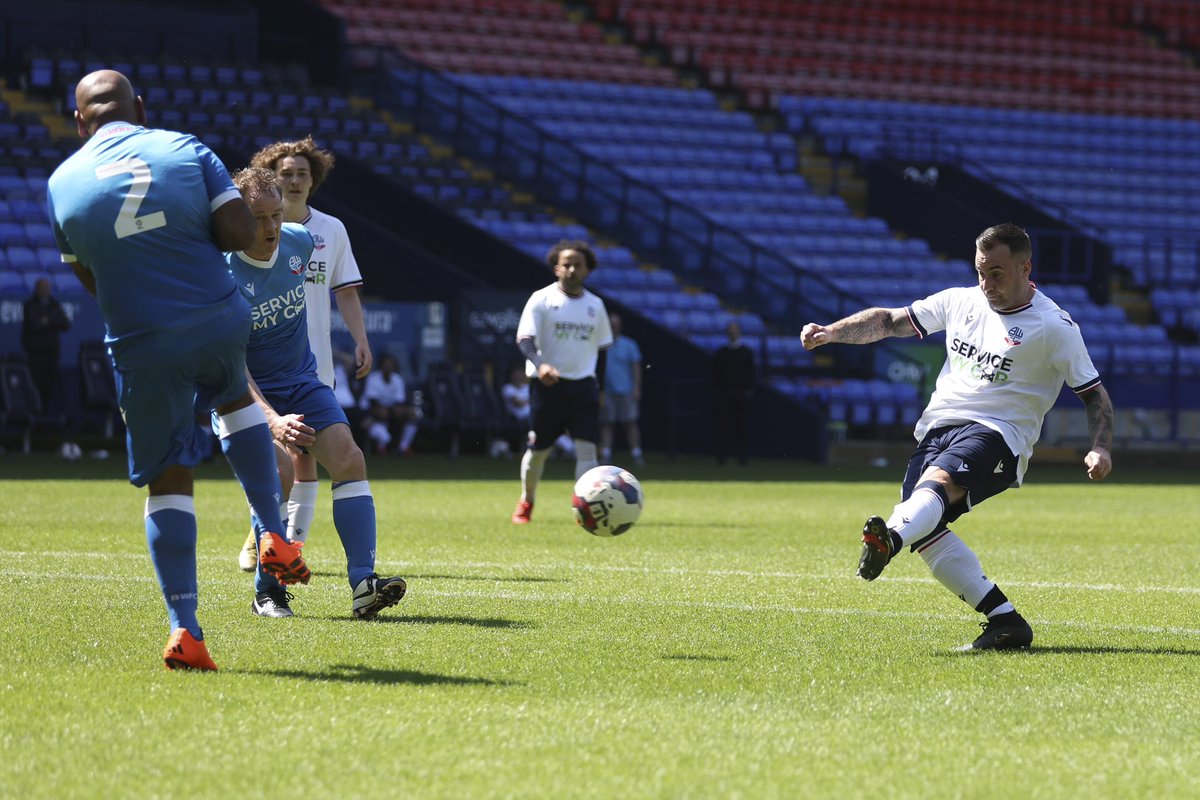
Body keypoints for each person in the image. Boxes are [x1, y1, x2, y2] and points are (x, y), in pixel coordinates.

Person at [45, 70, 307, 671]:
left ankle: (186, 630)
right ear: (140, 106)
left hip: (140, 340)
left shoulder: (62, 182)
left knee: (168, 478)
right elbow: (240, 233)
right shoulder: (184, 147)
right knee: (236, 397)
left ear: (80, 121)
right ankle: (272, 530)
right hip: (216, 317)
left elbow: (90, 277)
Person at [800, 223, 1114, 651]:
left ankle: (888, 540)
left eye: (997, 273)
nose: (986, 284)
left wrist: (1100, 446)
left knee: (936, 489)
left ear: (1026, 267)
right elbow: (891, 321)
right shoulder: (960, 301)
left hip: (1000, 434)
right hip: (938, 428)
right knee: (925, 527)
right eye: (981, 272)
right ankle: (1005, 621)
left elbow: (1095, 396)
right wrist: (833, 331)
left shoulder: (1054, 327)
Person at [225, 166, 406, 620]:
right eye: (257, 218)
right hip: (241, 391)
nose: (269, 228)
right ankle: (267, 592)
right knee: (281, 470)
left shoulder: (300, 243)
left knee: (349, 459)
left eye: (275, 215)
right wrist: (272, 419)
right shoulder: (220, 274)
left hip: (302, 381)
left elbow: (340, 291)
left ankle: (364, 584)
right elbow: (230, 363)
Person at [236, 136, 373, 569]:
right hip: (255, 370)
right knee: (279, 464)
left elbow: (347, 291)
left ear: (314, 180)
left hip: (310, 364)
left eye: (302, 174)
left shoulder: (323, 232)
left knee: (310, 456)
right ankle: (267, 547)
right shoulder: (230, 254)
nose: (295, 181)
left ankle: (290, 545)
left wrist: (361, 339)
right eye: (286, 174)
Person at [511, 240, 613, 524]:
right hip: (547, 386)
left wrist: (600, 388)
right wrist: (540, 364)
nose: (571, 269)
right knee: (538, 451)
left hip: (583, 387)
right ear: (556, 268)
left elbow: (602, 350)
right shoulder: (541, 299)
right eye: (566, 264)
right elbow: (525, 339)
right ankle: (527, 501)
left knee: (587, 449)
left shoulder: (596, 305)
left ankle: (585, 508)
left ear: (587, 270)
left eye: (577, 265)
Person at [599, 312, 644, 465]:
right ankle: (606, 453)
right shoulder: (601, 344)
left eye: (616, 323)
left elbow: (636, 368)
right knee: (607, 423)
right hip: (607, 391)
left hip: (626, 390)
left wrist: (637, 387)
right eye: (611, 323)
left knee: (630, 422)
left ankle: (636, 453)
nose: (613, 326)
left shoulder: (630, 344)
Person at [21, 277, 71, 413]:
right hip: (35, 354)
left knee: (49, 387)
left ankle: (47, 417)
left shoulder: (54, 304)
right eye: (42, 288)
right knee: (34, 385)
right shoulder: (29, 304)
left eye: (47, 288)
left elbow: (65, 324)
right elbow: (35, 324)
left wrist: (47, 320)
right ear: (37, 289)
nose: (45, 290)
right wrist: (52, 320)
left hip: (51, 353)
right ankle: (34, 417)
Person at [712, 321, 756, 465]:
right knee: (723, 427)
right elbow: (715, 374)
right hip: (725, 394)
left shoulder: (746, 352)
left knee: (742, 427)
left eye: (735, 330)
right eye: (730, 330)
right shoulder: (721, 353)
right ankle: (722, 458)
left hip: (742, 395)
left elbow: (751, 373)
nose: (733, 333)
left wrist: (748, 390)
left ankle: (742, 458)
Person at [361, 353, 419, 455]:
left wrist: (398, 410)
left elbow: (399, 401)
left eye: (390, 364)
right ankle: (381, 447)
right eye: (385, 364)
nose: (388, 366)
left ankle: (404, 447)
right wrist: (388, 410)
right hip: (370, 409)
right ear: (381, 365)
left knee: (412, 414)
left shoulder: (397, 379)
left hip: (390, 409)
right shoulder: (373, 378)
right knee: (383, 415)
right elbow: (373, 401)